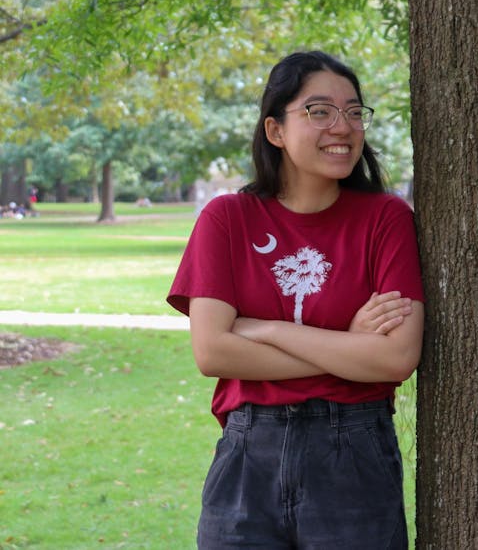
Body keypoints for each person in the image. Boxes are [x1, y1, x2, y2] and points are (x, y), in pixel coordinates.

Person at [168, 51, 424, 549]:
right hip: (247, 459)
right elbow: (213, 352)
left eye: (354, 112)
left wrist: (263, 328)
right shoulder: (227, 219)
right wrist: (346, 347)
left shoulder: (385, 219)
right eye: (319, 111)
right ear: (275, 130)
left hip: (353, 455)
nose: (343, 126)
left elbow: (394, 357)